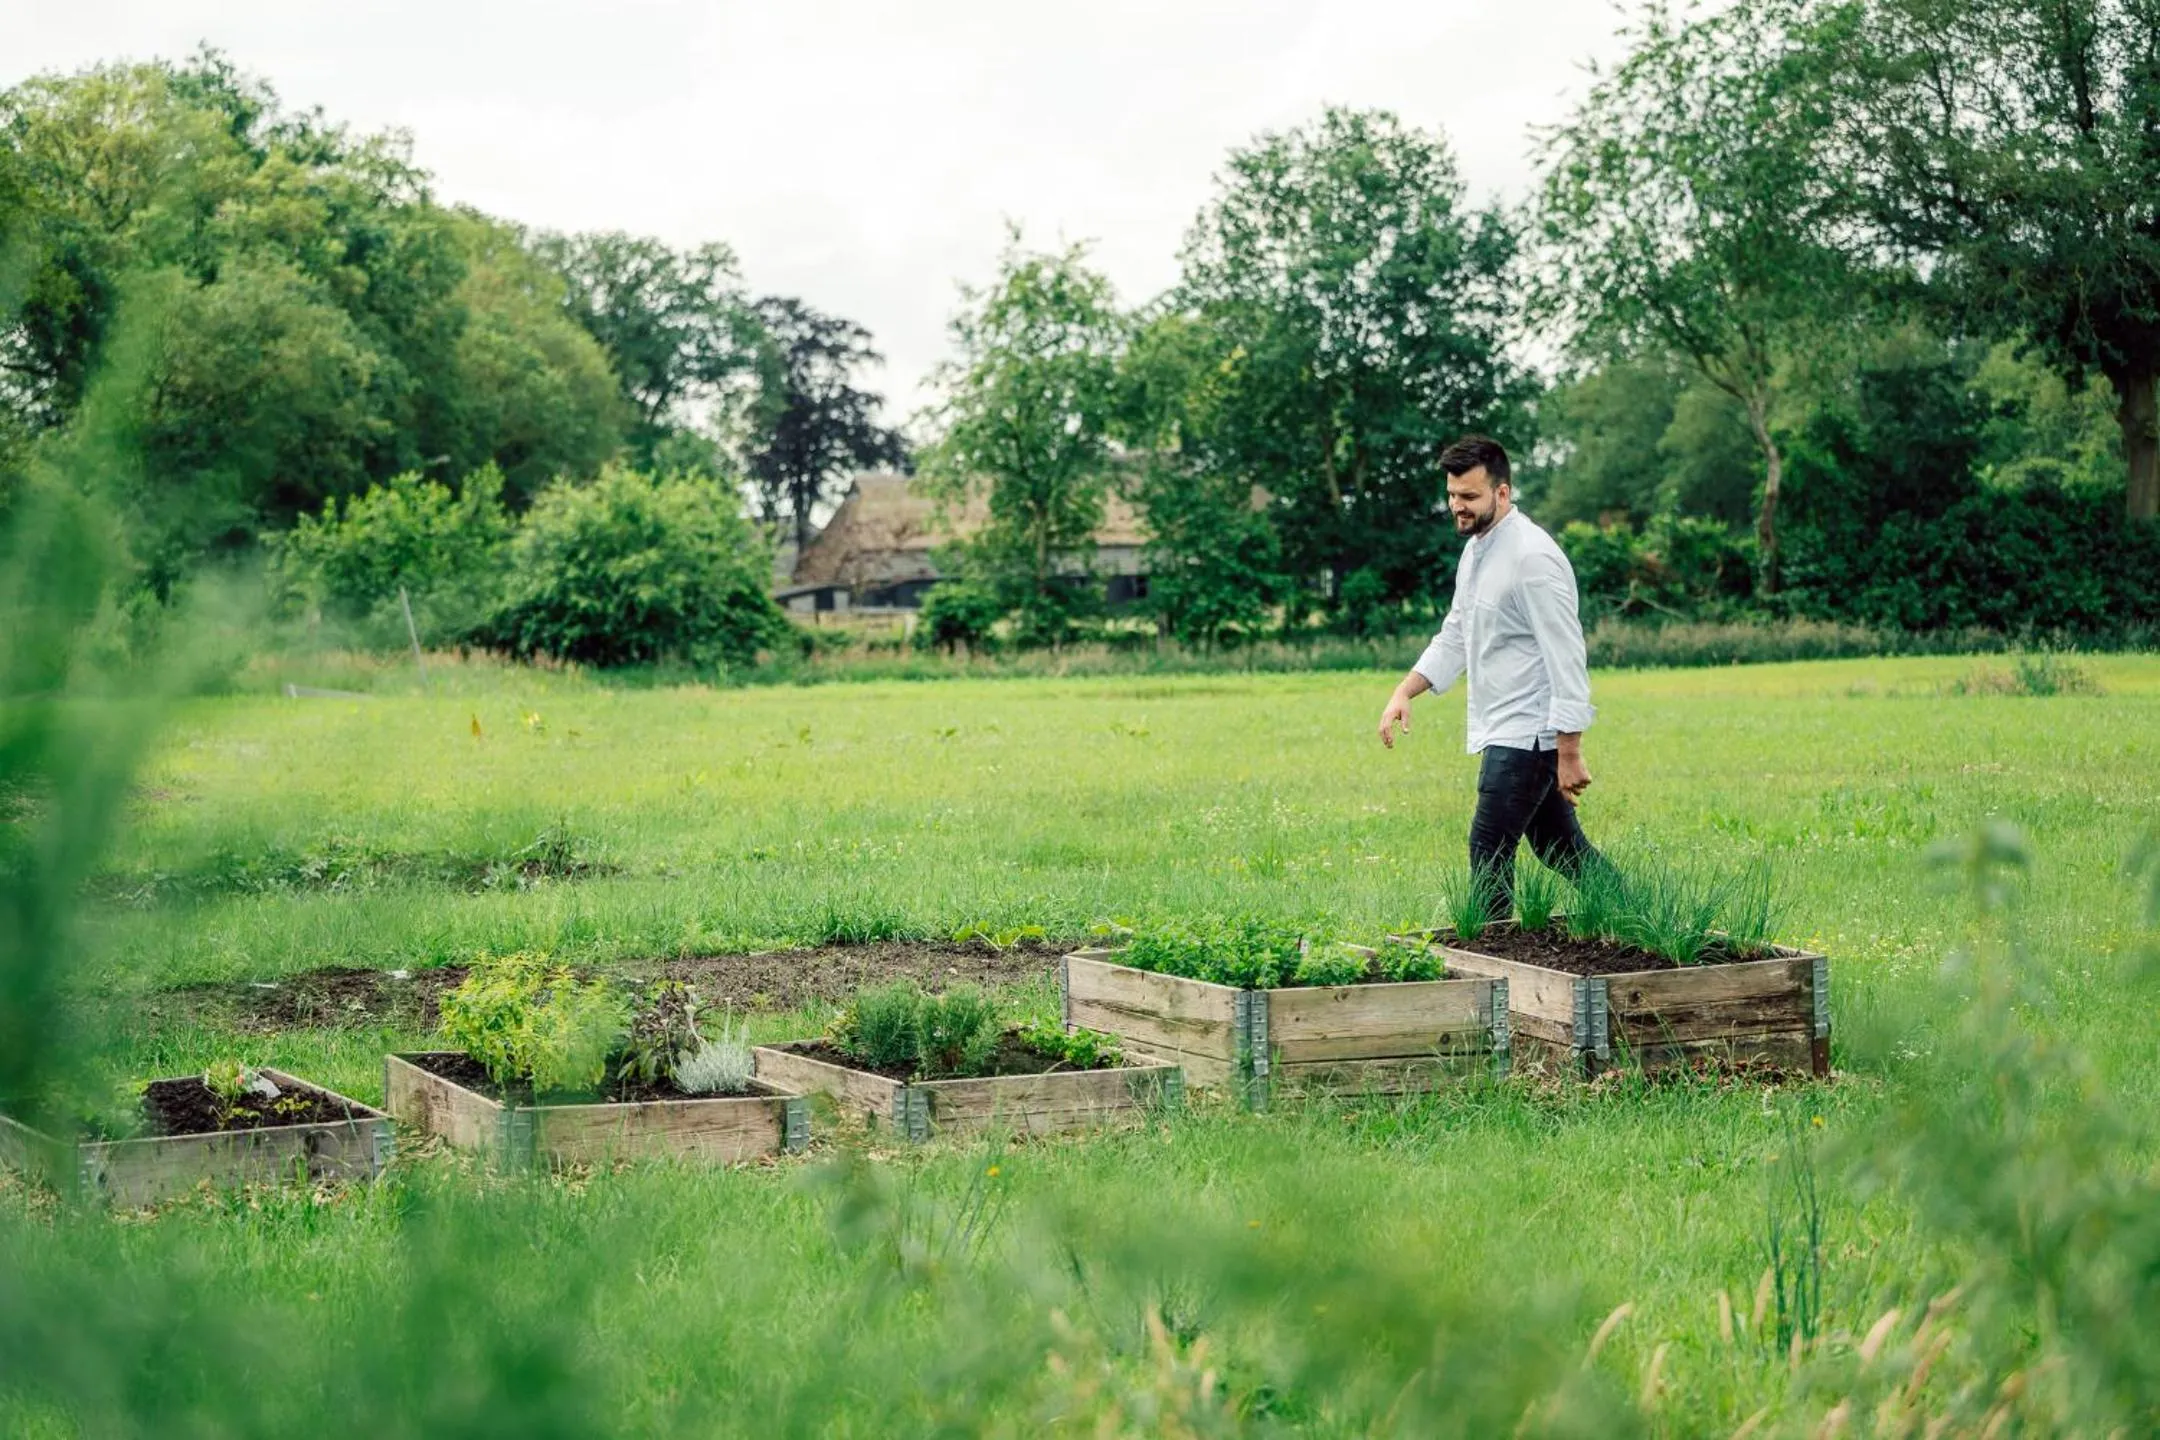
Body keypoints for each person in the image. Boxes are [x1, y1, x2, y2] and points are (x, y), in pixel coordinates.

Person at [1376, 435, 1609, 922]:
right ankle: (1646, 917)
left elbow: (1567, 655)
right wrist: (1405, 689)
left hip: (1528, 733)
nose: (1456, 507)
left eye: (1469, 497)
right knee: (1560, 850)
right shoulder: (1478, 550)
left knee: (1489, 848)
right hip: (1505, 726)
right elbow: (1457, 633)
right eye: (1452, 495)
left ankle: (1492, 967)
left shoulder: (1533, 559)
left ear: (1502, 494)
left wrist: (1569, 749)